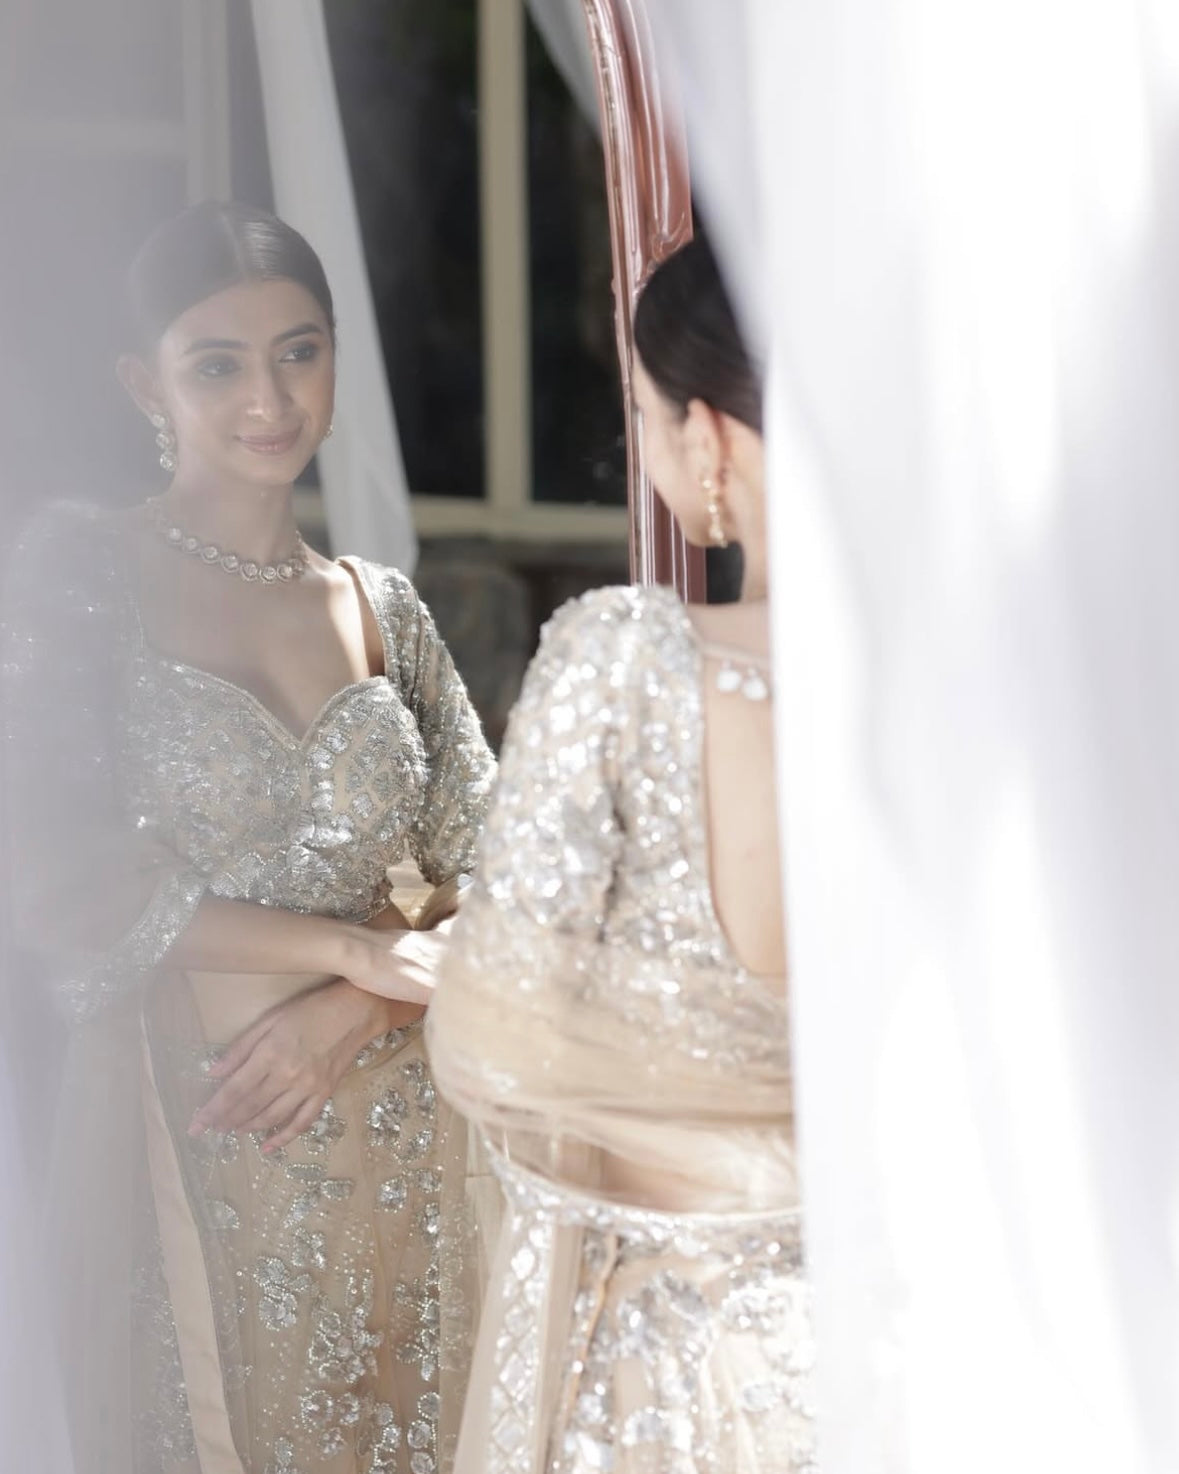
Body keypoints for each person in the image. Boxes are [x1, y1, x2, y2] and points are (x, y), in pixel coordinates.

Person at [2, 202, 495, 1474]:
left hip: (413, 1131)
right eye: (217, 364)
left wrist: (355, 1005)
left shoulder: (380, 606)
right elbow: (50, 871)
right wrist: (351, 947)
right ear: (144, 383)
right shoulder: (79, 572)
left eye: (298, 351)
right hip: (206, 1121)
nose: (270, 398)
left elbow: (492, 871)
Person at [425, 237, 814, 1473]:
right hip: (926, 1325)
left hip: (682, 1349)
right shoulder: (993, 700)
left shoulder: (630, 661)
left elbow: (492, 1045)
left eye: (643, 416)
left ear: (709, 438)